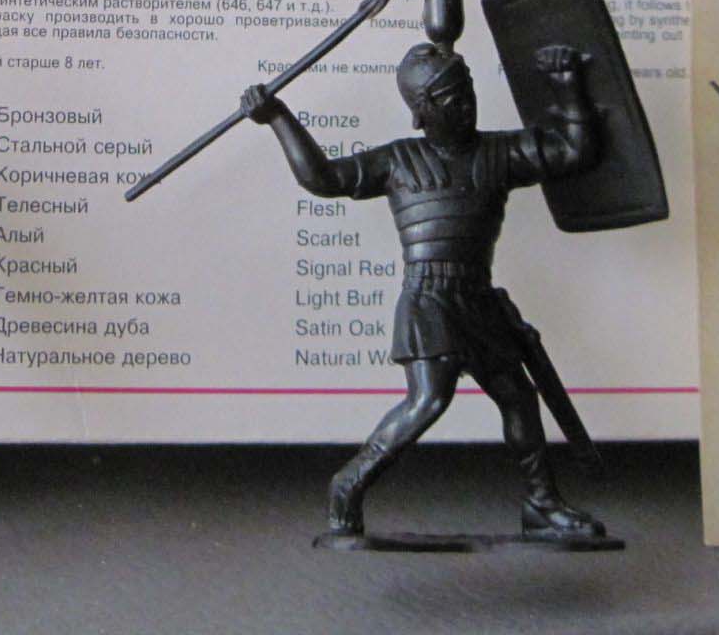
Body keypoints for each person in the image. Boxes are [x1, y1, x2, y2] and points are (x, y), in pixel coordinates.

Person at [246, 41, 608, 541]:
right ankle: (347, 485)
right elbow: (324, 178)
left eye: (467, 93)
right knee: (429, 401)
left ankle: (541, 504)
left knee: (519, 398)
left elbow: (574, 151)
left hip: (478, 298)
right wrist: (278, 117)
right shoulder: (399, 160)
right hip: (428, 299)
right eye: (451, 99)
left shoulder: (499, 152)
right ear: (421, 112)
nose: (466, 106)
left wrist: (567, 86)